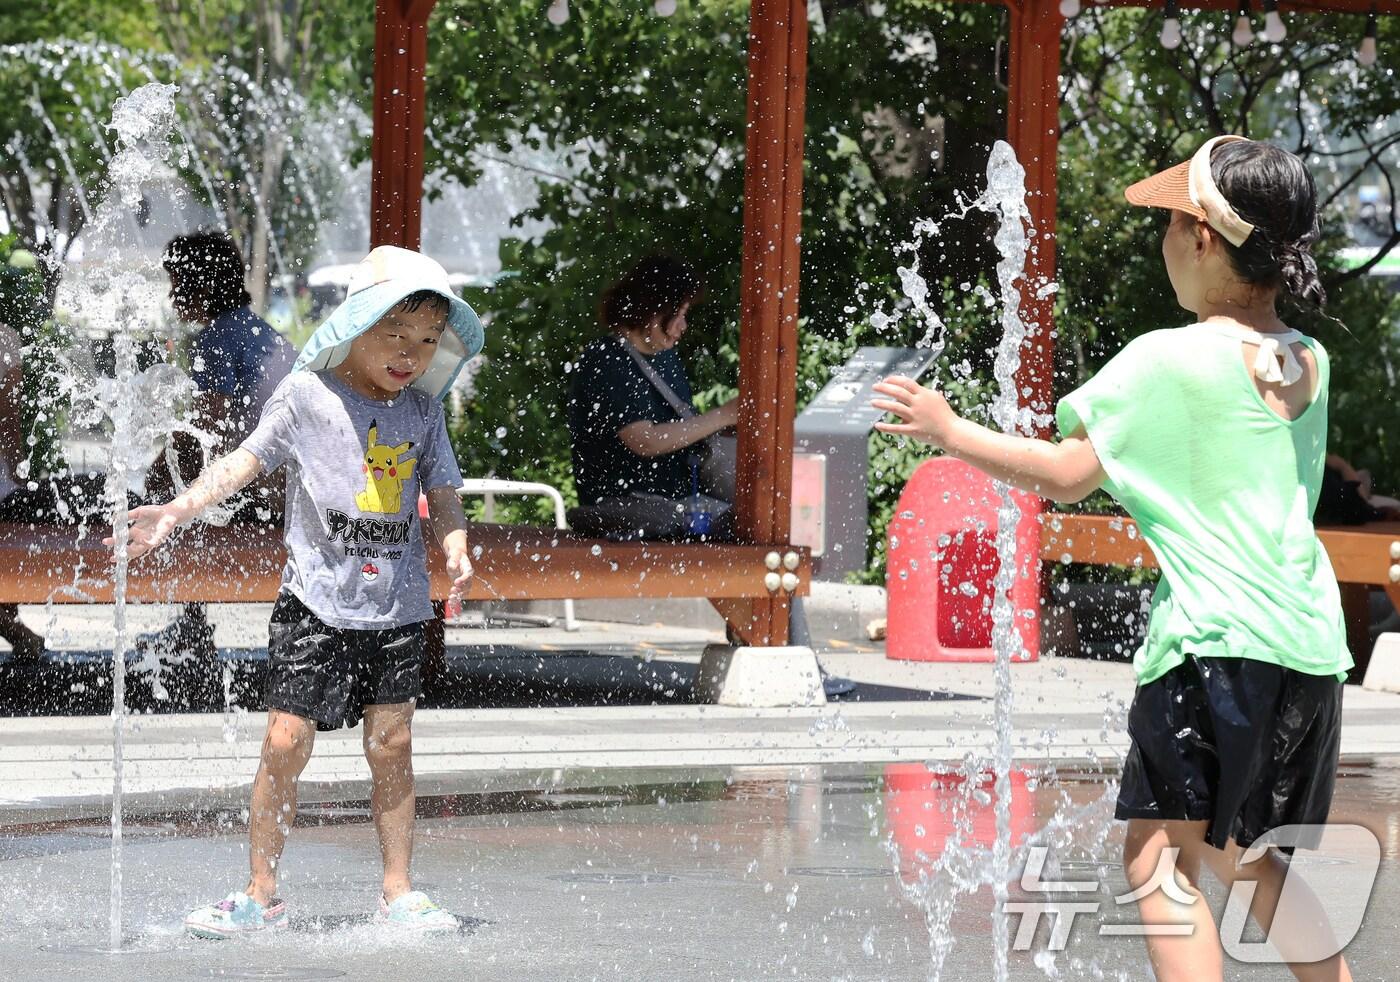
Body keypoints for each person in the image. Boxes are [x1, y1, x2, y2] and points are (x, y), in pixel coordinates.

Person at [873, 136, 1353, 981]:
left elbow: (1064, 477)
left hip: (1214, 645)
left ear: (1202, 235)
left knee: (1157, 860)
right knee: (1251, 860)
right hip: (1310, 649)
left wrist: (950, 432)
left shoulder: (1167, 359)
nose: (1163, 240)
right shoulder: (1308, 363)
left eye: (1170, 222)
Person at [109, 246, 484, 937]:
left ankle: (398, 890)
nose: (411, 354)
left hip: (396, 606)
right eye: (395, 336)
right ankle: (260, 892)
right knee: (285, 739)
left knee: (393, 743)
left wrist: (454, 540)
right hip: (315, 602)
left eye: (427, 341)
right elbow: (244, 461)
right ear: (354, 328)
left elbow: (443, 488)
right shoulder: (309, 396)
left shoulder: (425, 413)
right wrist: (177, 510)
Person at [567, 256, 854, 695]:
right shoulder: (606, 360)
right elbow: (642, 441)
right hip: (626, 506)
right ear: (650, 309)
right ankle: (793, 656)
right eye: (678, 314)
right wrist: (721, 416)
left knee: (767, 531)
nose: (683, 326)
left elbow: (683, 434)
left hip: (675, 501)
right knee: (758, 536)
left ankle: (789, 651)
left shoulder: (665, 361)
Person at [136, 231, 297, 672]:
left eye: (176, 283)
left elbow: (202, 428)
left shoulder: (217, 340)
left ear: (203, 285)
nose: (171, 296)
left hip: (264, 497)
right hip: (286, 490)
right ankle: (190, 622)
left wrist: (152, 479)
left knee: (167, 504)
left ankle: (190, 625)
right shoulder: (256, 331)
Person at [0, 321, 44, 661]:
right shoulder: (5, 337)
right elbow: (9, 420)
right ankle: (13, 626)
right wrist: (17, 474)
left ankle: (12, 627)